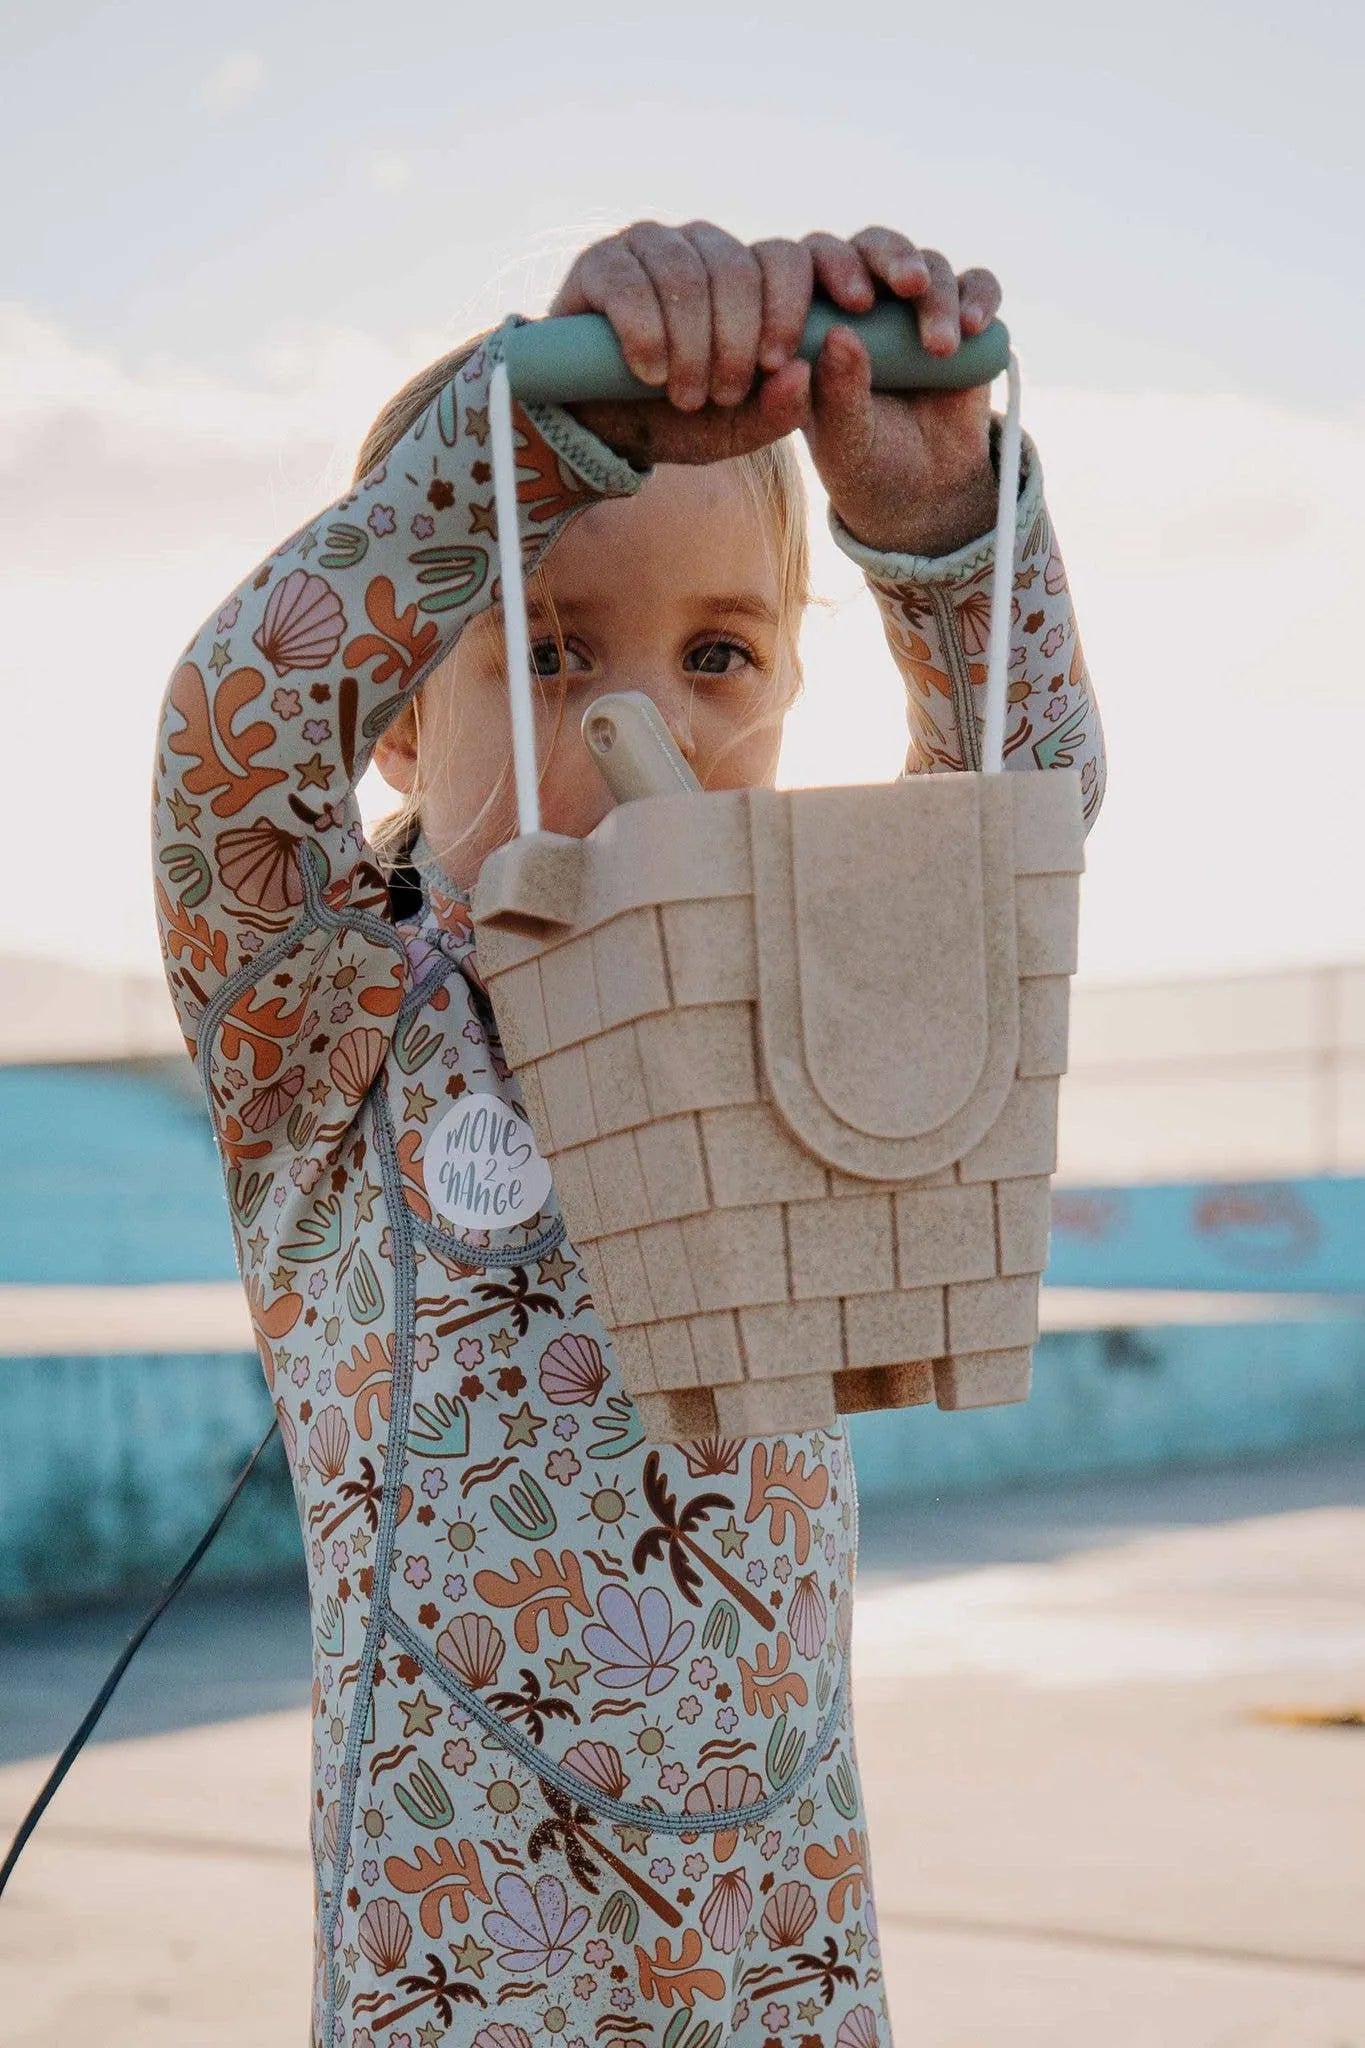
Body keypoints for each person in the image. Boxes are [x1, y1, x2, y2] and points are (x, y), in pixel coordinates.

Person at [151, 219, 1105, 2048]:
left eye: (719, 653)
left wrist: (938, 532)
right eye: (544, 644)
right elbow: (231, 745)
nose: (636, 715)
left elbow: (1022, 820)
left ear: (788, 693)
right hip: (462, 1961)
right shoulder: (328, 1017)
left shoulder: (799, 1002)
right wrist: (527, 443)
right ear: (398, 725)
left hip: (776, 1942)